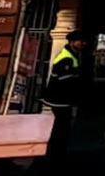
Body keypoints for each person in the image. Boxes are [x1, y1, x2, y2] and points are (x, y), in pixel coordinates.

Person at [40, 30, 86, 173]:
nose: (83, 44)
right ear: (72, 42)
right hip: (60, 100)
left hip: (63, 99)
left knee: (62, 129)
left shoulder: (72, 55)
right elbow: (66, 81)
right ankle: (55, 160)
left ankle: (57, 158)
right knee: (60, 130)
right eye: (80, 41)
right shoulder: (65, 58)